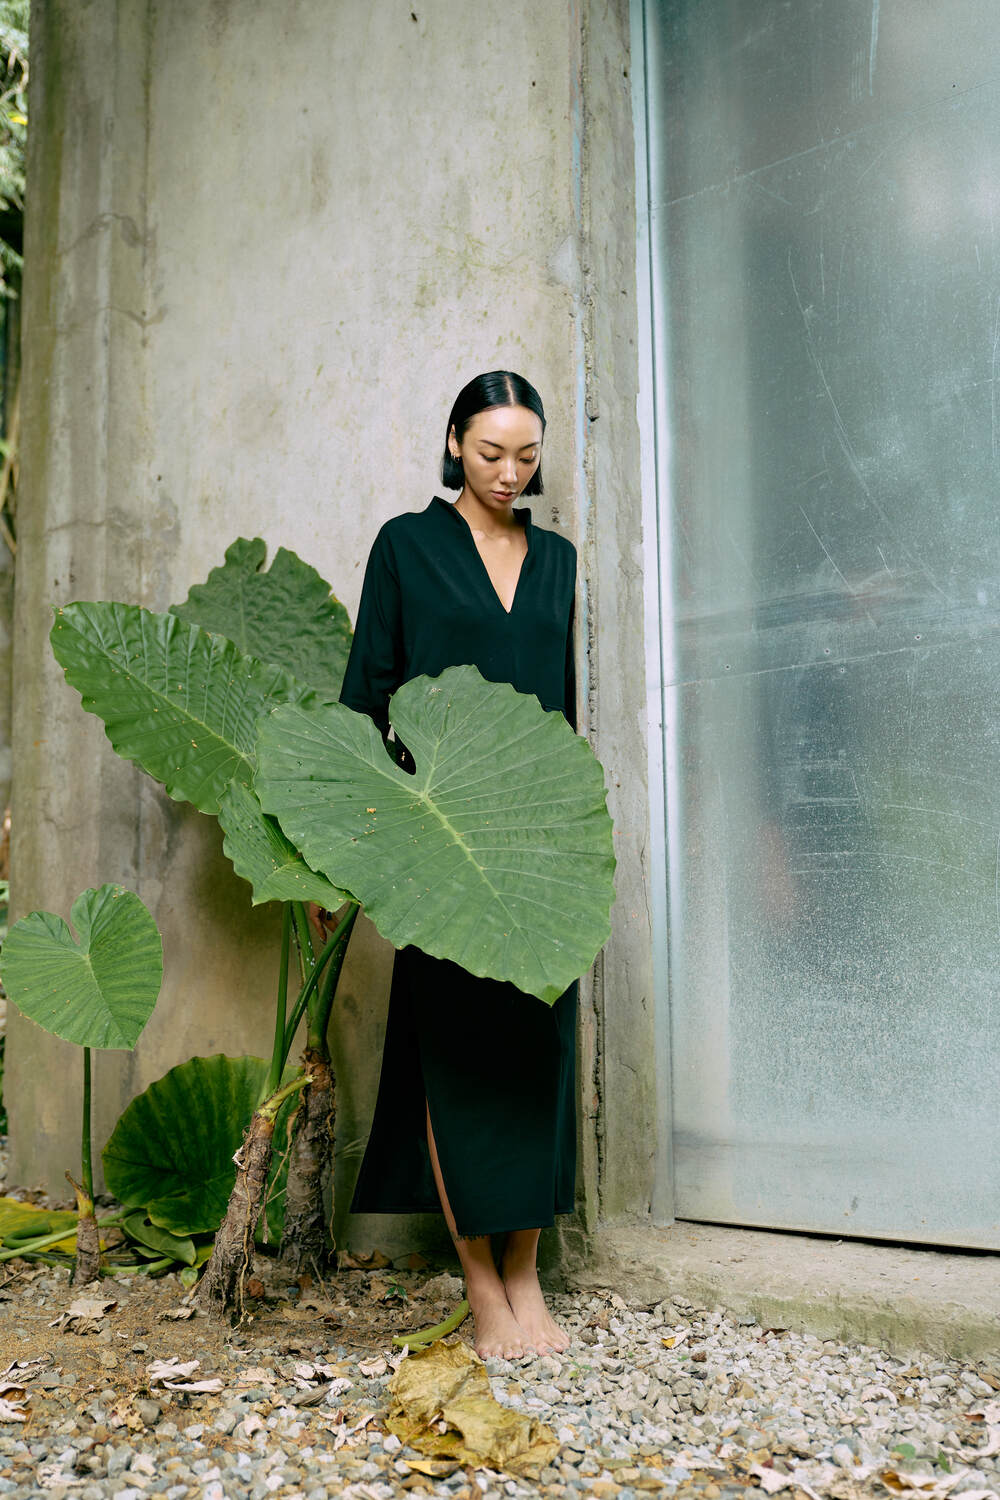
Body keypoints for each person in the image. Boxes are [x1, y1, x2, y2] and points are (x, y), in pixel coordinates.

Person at [327, 370, 578, 1360]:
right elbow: (362, 700)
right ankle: (482, 1288)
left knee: (536, 1060)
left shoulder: (557, 561)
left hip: (542, 843)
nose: (508, 473)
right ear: (452, 443)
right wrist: (347, 852)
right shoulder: (407, 547)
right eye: (489, 454)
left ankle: (525, 1273)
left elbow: (564, 706)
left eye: (526, 455)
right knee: (457, 1058)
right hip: (436, 838)